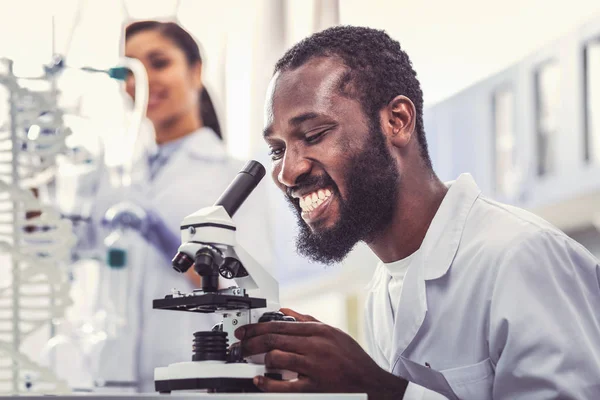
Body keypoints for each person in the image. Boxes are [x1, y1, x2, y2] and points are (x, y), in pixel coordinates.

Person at [234, 26, 600, 399]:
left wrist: (379, 388)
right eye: (278, 150)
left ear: (397, 121)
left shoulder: (522, 256)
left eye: (313, 135)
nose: (287, 172)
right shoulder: (383, 291)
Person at [71, 21, 273, 392]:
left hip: (191, 377)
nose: (143, 81)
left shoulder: (231, 177)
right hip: (108, 375)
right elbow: (66, 246)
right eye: (131, 69)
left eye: (159, 63)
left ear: (195, 71)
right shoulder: (109, 173)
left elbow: (246, 289)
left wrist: (168, 239)